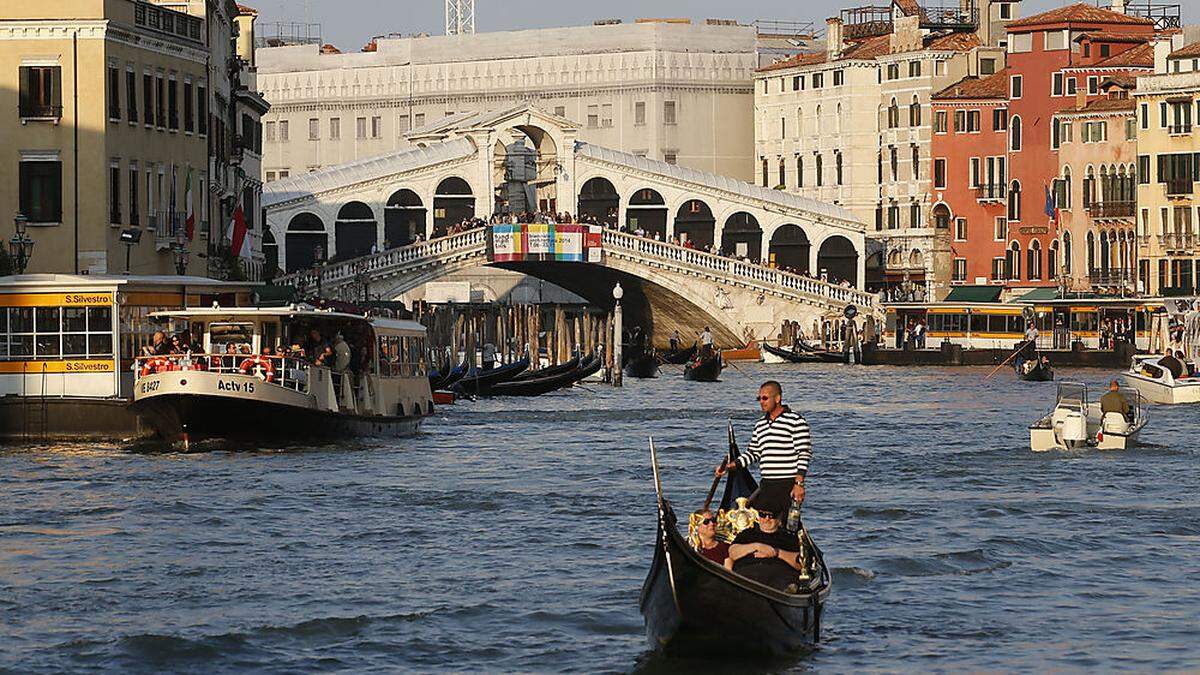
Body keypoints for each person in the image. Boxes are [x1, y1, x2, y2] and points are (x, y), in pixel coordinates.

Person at [717, 380, 811, 517]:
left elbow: (804, 453)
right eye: (759, 398)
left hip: (788, 484)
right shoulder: (760, 425)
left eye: (765, 398)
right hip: (766, 485)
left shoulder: (796, 421)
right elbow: (753, 453)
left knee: (787, 526)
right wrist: (729, 466)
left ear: (778, 398)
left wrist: (799, 483)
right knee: (761, 522)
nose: (761, 402)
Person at [727, 508, 804, 591]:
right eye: (763, 515)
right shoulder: (747, 534)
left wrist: (776, 553)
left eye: (772, 516)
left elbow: (800, 564)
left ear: (779, 518)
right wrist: (757, 546)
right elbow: (732, 553)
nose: (767, 519)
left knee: (786, 583)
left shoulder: (788, 537)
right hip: (748, 573)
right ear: (758, 516)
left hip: (780, 574)